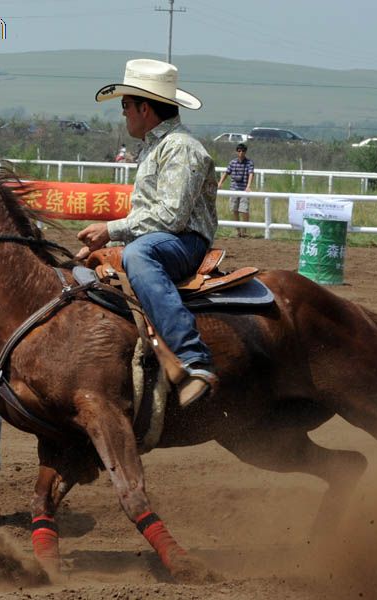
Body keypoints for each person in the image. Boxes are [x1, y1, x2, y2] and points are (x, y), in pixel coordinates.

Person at [76, 58, 219, 407]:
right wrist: (108, 242)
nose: (123, 113)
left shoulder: (181, 148)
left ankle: (192, 357)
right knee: (83, 272)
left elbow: (170, 216)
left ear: (144, 107)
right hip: (159, 238)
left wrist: (112, 230)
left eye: (125, 106)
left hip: (184, 241)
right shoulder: (156, 146)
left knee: (140, 255)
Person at [215, 142, 254, 237]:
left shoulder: (249, 162)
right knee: (234, 210)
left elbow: (251, 174)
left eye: (243, 151)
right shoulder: (232, 162)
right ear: (237, 151)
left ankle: (245, 231)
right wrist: (220, 183)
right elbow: (226, 173)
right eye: (239, 151)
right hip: (234, 189)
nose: (241, 152)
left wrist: (248, 186)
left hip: (244, 190)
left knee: (244, 210)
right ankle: (238, 231)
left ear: (245, 152)